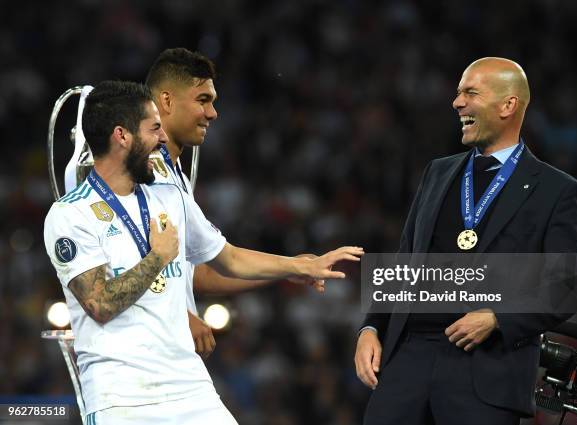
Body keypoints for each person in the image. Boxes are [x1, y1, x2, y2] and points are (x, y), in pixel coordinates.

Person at [44, 80, 363, 424]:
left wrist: (297, 265)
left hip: (191, 388)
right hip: (121, 396)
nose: (163, 139)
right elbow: (100, 305)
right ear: (122, 136)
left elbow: (228, 258)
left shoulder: (169, 196)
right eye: (154, 129)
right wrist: (158, 258)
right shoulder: (69, 214)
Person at [354, 57, 577, 425]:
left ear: (508, 105)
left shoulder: (556, 190)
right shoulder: (438, 171)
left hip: (486, 369)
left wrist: (498, 316)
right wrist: (371, 327)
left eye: (470, 92)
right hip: (407, 362)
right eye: (459, 92)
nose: (457, 102)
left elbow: (566, 287)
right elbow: (404, 260)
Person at [144, 47, 319, 357]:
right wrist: (179, 315)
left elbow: (201, 272)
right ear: (167, 101)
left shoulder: (175, 177)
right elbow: (117, 265)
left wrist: (286, 268)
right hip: (139, 360)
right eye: (203, 100)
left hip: (172, 357)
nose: (213, 113)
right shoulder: (136, 173)